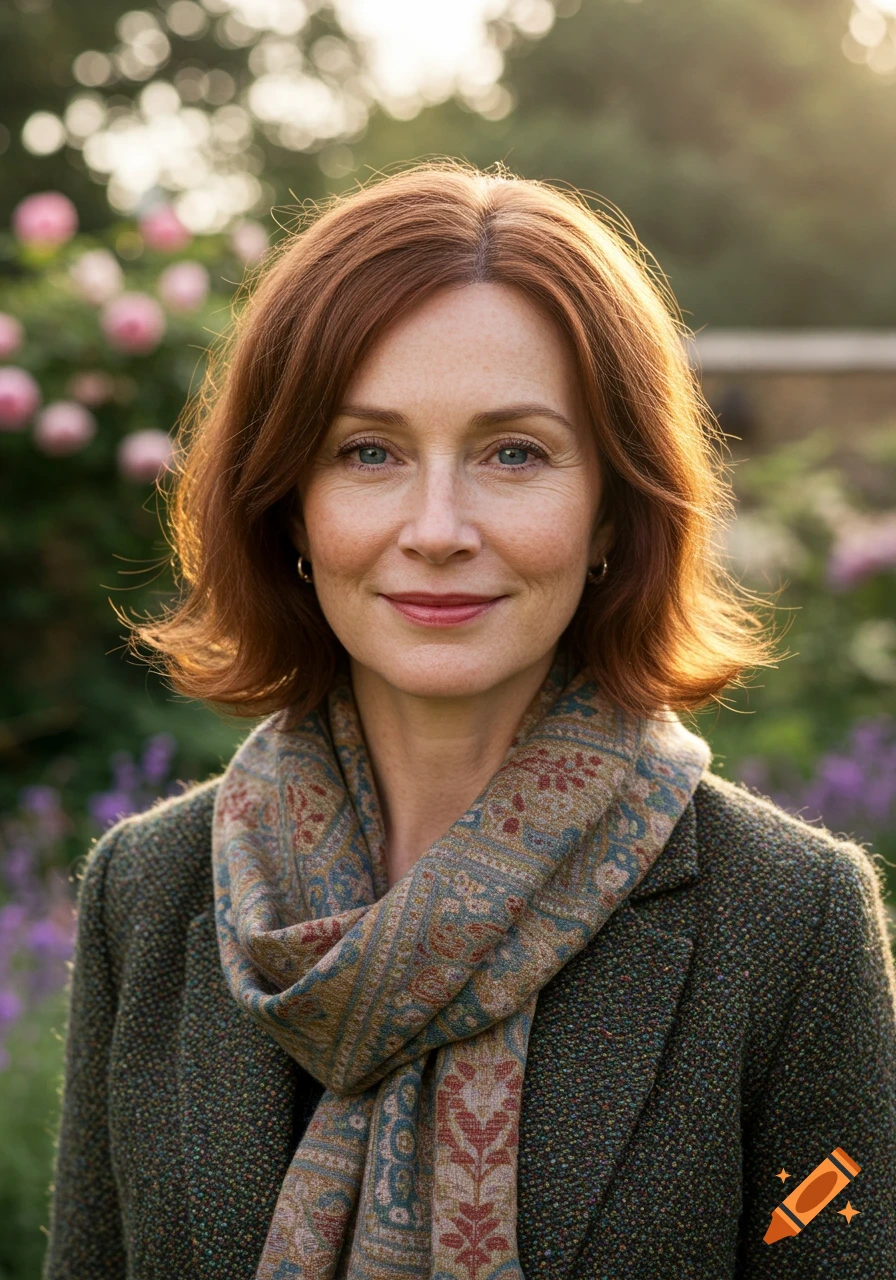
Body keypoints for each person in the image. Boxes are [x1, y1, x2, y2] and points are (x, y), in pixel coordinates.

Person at [43, 161, 896, 1280]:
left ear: (610, 511)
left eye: (512, 452)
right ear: (287, 504)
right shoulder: (147, 898)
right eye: (368, 452)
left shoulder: (787, 922)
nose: (436, 526)